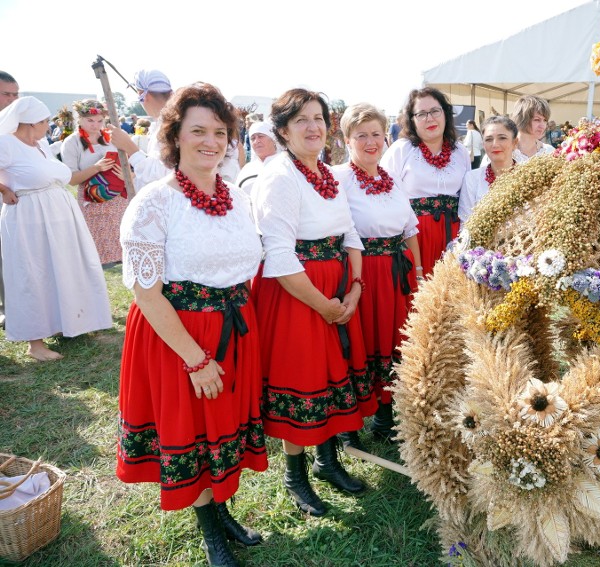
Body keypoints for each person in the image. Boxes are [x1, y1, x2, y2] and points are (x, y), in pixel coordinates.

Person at [116, 83, 267, 567]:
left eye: (220, 132)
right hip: (179, 337)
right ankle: (211, 531)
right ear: (174, 135)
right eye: (198, 130)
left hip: (232, 328)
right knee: (192, 434)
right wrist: (196, 358)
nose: (211, 141)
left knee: (220, 430)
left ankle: (222, 513)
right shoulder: (154, 202)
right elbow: (145, 292)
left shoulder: (235, 197)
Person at [252, 88, 373, 517]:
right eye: (301, 119)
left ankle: (327, 462)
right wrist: (323, 304)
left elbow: (350, 233)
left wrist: (355, 286)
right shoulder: (279, 177)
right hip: (297, 293)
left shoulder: (325, 173)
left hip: (336, 285)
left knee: (329, 375)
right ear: (283, 130)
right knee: (301, 381)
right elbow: (281, 257)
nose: (313, 127)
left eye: (319, 117)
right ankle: (296, 475)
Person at [333, 103, 422, 443]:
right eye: (361, 136)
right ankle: (350, 422)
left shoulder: (391, 178)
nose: (370, 142)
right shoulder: (339, 178)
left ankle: (385, 416)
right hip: (362, 270)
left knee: (393, 339)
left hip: (394, 271)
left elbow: (410, 227)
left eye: (376, 134)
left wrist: (419, 270)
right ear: (346, 139)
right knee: (362, 341)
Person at [0, 96, 112, 360]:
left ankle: (66, 323)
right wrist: (4, 189)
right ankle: (35, 344)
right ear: (31, 122)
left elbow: (63, 175)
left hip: (59, 213)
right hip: (28, 216)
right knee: (32, 272)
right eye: (45, 121)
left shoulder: (40, 144)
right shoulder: (6, 143)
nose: (48, 126)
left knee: (62, 267)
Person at [381, 87, 470, 277]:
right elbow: (385, 197)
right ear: (412, 120)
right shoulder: (401, 150)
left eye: (435, 111)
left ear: (445, 114)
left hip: (454, 235)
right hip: (415, 237)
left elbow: (467, 196)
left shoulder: (460, 152)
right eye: (421, 114)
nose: (429, 118)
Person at [61, 99, 128, 265]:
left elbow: (130, 166)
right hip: (93, 199)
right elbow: (71, 179)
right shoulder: (72, 142)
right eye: (90, 121)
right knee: (95, 255)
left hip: (118, 200)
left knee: (123, 250)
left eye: (100, 121)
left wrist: (127, 176)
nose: (95, 125)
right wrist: (96, 168)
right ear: (80, 119)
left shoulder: (111, 138)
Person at [107, 69, 173, 188]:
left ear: (144, 96)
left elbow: (161, 175)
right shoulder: (163, 122)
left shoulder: (171, 125)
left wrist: (129, 147)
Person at [459, 115, 519, 224]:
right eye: (489, 139)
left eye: (502, 138)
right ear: (483, 144)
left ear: (515, 143)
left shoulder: (529, 177)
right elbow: (465, 223)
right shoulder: (472, 178)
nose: (495, 144)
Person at [0, 70, 20, 330]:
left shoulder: (14, 126)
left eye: (17, 94)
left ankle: (8, 309)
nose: (13, 100)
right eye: (7, 94)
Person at [235, 120, 280, 196]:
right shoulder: (248, 169)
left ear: (273, 139)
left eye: (260, 136)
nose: (256, 141)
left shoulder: (285, 165)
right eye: (253, 138)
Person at [511, 95, 555, 163]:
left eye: (545, 120)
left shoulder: (549, 152)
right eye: (537, 120)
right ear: (522, 119)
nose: (543, 126)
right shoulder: (505, 151)